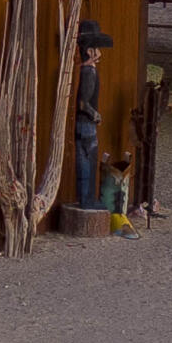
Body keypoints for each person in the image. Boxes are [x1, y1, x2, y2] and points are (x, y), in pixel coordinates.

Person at [71, 20, 115, 212]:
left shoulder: (86, 70)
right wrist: (95, 114)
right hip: (86, 123)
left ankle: (87, 198)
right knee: (88, 160)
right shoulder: (89, 72)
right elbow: (83, 102)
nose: (99, 53)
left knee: (88, 159)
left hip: (85, 123)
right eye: (96, 49)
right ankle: (86, 199)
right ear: (89, 51)